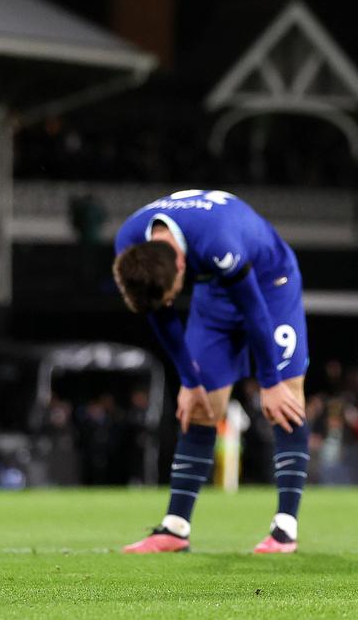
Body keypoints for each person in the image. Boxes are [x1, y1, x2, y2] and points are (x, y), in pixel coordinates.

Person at [112, 189, 310, 553]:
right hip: (216, 290)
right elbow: (160, 311)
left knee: (285, 397)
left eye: (173, 294)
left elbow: (254, 311)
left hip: (269, 283)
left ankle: (285, 529)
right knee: (202, 405)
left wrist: (269, 381)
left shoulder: (217, 239)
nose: (170, 302)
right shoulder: (130, 245)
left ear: (182, 266)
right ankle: (175, 528)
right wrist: (189, 381)